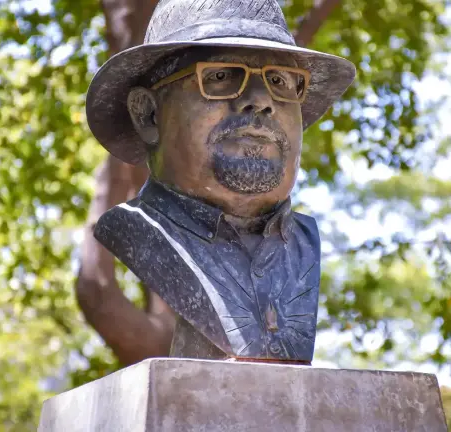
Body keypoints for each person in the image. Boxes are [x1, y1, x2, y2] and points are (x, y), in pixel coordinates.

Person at [85, 0, 355, 363]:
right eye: (222, 76)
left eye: (279, 81)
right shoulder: (136, 231)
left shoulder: (306, 244)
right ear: (148, 114)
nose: (260, 101)